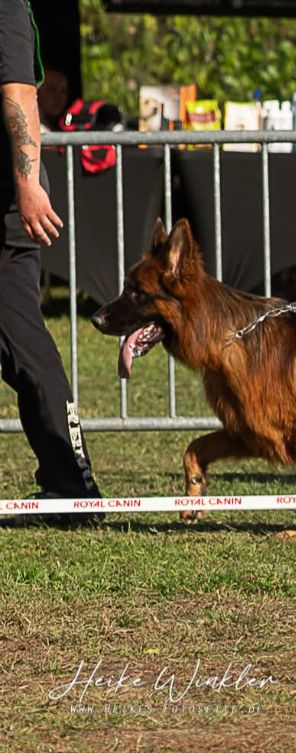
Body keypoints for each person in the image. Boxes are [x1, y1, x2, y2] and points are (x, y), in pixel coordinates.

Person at [1, 0, 102, 521]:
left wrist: (25, 185)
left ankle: (71, 482)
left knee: (26, 347)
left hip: (6, 208)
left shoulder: (7, 10)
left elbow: (19, 92)